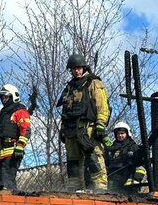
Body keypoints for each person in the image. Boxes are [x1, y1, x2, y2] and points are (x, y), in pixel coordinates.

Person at [57, 53, 110, 191]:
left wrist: (100, 124)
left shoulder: (94, 83)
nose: (76, 71)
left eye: (79, 68)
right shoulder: (69, 88)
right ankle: (74, 191)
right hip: (71, 129)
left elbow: (102, 105)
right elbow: (65, 111)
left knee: (94, 159)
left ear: (84, 67)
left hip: (88, 129)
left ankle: (101, 189)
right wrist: (62, 129)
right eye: (74, 68)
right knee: (73, 163)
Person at [105, 122, 147, 194]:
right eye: (118, 134)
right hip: (112, 180)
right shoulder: (111, 148)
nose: (120, 135)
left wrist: (136, 179)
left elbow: (141, 165)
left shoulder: (133, 147)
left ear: (127, 134)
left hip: (128, 181)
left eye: (122, 133)